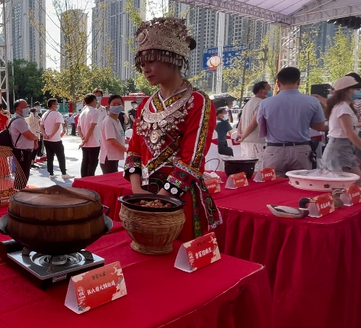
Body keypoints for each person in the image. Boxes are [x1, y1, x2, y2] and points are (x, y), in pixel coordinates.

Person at [125, 17, 220, 241]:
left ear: (172, 58)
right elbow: (134, 149)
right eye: (143, 64)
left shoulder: (198, 102)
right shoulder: (146, 104)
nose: (146, 69)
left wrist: (162, 199)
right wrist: (137, 191)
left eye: (152, 61)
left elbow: (192, 158)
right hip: (145, 196)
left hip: (179, 198)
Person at [257, 67, 328, 177]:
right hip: (301, 150)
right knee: (301, 186)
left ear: (278, 83)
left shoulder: (265, 103)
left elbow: (262, 127)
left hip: (274, 151)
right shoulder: (312, 101)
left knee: (272, 187)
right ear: (299, 82)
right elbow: (319, 126)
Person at [323, 76, 361, 180]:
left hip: (342, 149)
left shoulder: (343, 106)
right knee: (354, 185)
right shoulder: (342, 107)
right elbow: (349, 132)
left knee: (356, 185)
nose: (359, 91)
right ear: (347, 91)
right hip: (338, 150)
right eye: (356, 89)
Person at [236, 81, 271, 169]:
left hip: (245, 142)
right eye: (269, 89)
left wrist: (240, 134)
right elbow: (254, 122)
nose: (270, 91)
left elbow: (241, 121)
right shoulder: (261, 103)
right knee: (257, 169)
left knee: (247, 168)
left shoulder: (248, 103)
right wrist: (243, 135)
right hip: (256, 143)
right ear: (262, 91)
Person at [9, 100, 39, 189]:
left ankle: (19, 190)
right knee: (22, 173)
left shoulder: (20, 120)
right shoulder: (19, 121)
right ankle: (18, 192)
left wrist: (34, 140)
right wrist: (36, 138)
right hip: (22, 151)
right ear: (18, 109)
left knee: (23, 173)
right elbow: (29, 135)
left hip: (23, 150)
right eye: (25, 107)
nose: (27, 108)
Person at [41, 98, 73, 180]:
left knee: (50, 156)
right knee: (61, 156)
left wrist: (44, 134)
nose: (57, 105)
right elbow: (57, 125)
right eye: (56, 104)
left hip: (46, 139)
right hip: (55, 139)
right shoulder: (57, 114)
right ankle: (64, 173)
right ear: (53, 105)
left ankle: (51, 173)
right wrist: (51, 135)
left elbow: (41, 125)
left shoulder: (45, 114)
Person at [100, 94, 127, 174]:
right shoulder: (108, 121)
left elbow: (120, 137)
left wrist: (132, 143)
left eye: (119, 104)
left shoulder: (117, 121)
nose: (116, 106)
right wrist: (127, 150)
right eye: (114, 104)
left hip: (114, 157)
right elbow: (112, 140)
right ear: (108, 106)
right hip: (109, 158)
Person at [78, 94, 102, 177]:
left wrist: (83, 138)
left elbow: (78, 127)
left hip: (85, 142)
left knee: (85, 162)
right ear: (94, 100)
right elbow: (92, 127)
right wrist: (86, 139)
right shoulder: (94, 111)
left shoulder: (82, 112)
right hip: (93, 142)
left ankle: (83, 180)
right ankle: (89, 181)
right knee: (92, 164)